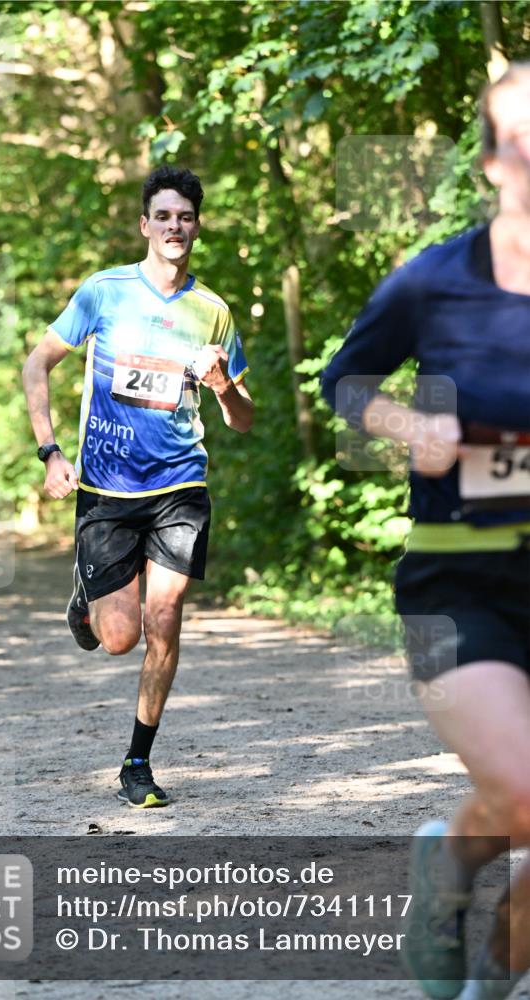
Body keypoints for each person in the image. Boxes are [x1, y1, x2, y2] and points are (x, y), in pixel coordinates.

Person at [321, 64, 530, 1000]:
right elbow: (346, 380)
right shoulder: (435, 281)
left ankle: (486, 949)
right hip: (459, 582)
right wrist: (411, 428)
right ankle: (449, 878)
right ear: (491, 162)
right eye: (520, 140)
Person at [22, 165, 254, 808]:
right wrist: (49, 452)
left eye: (186, 217)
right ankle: (86, 598)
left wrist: (223, 385)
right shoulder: (105, 292)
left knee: (165, 616)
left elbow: (242, 418)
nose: (175, 227)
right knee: (119, 637)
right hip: (107, 488)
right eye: (164, 216)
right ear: (145, 224)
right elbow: (36, 363)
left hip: (181, 483)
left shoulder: (213, 312)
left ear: (196, 226)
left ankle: (137, 761)